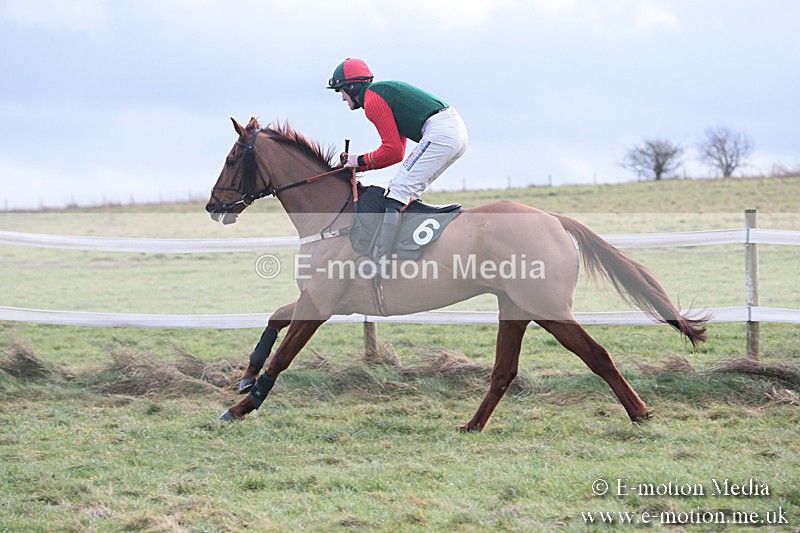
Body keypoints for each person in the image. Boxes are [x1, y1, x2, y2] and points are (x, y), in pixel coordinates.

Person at [327, 58, 468, 261]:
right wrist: (357, 165)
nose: (342, 98)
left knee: (398, 191)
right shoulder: (380, 94)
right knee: (404, 189)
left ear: (352, 86)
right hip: (451, 131)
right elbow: (397, 154)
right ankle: (413, 246)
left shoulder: (373, 100)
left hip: (441, 132)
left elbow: (391, 151)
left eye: (341, 91)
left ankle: (381, 260)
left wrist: (356, 161)